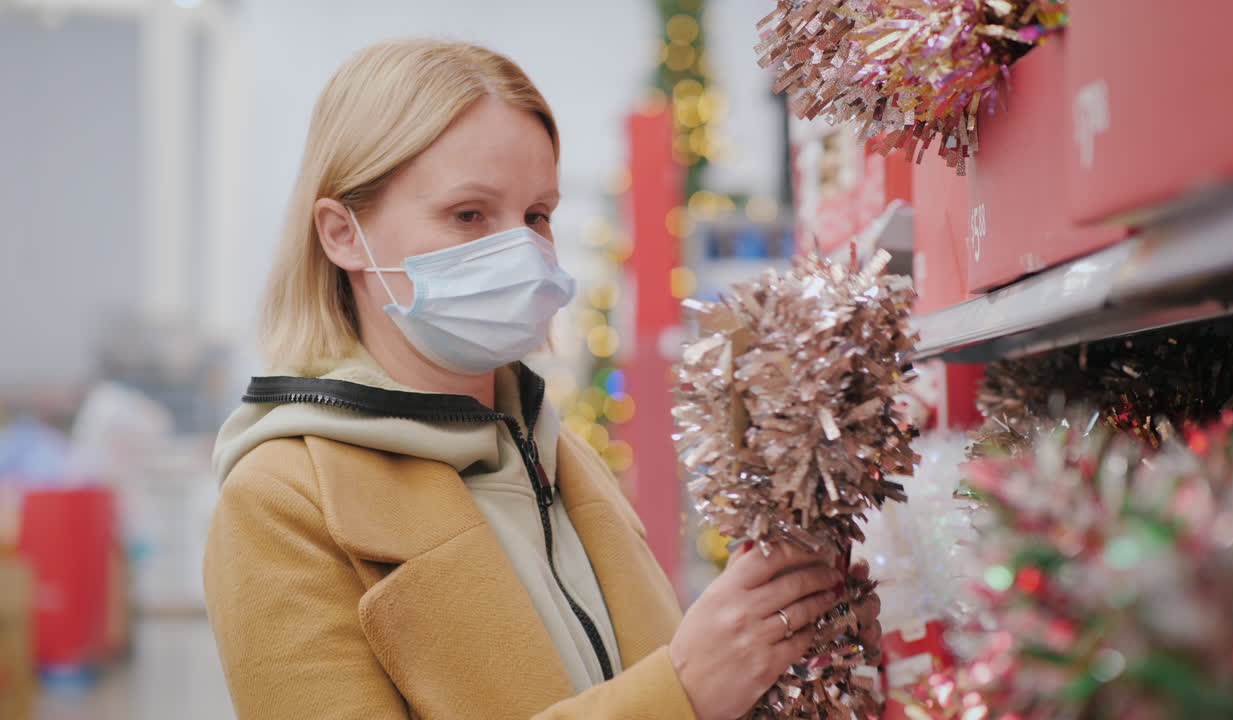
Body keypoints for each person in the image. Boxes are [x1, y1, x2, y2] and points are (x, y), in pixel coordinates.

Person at [203, 38, 842, 720]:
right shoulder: (282, 501)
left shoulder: (563, 457)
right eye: (469, 215)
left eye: (538, 215)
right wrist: (679, 694)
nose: (524, 251)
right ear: (341, 234)